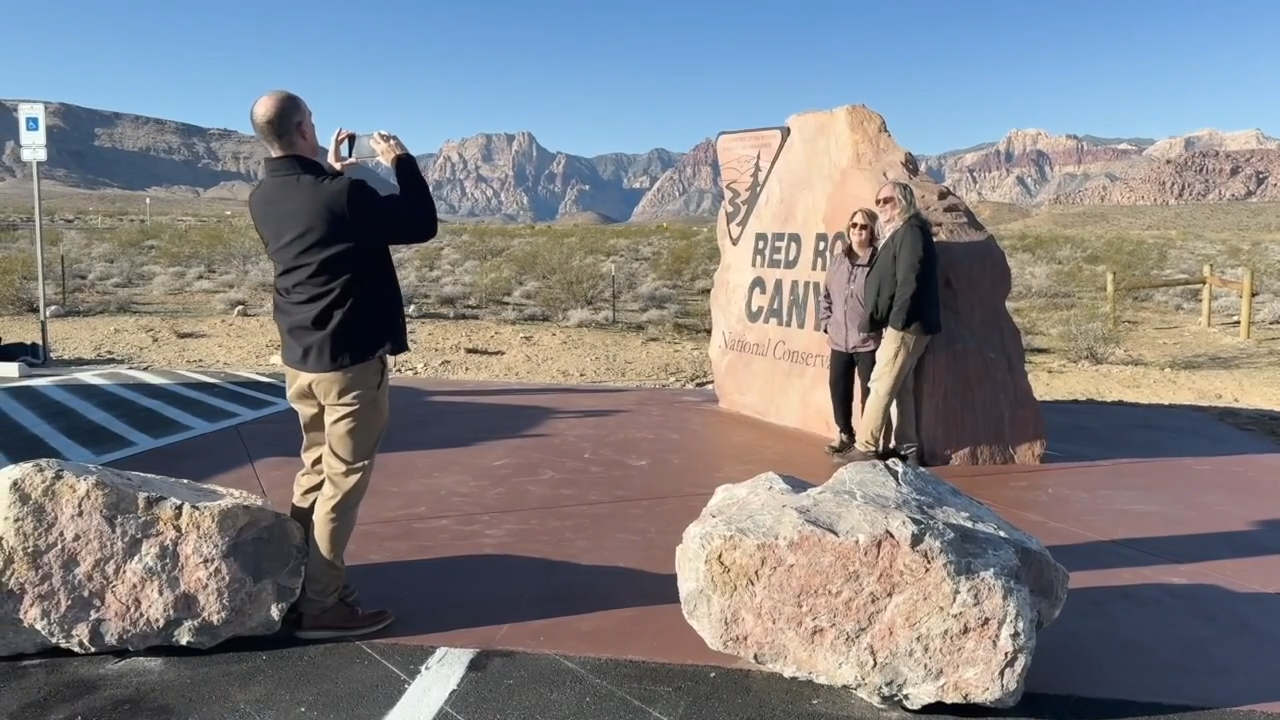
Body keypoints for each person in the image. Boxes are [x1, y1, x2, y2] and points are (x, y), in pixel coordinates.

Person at [247, 90, 439, 639]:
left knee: (313, 472)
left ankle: (302, 581)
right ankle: (323, 607)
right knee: (343, 482)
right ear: (305, 128)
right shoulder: (345, 193)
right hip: (350, 362)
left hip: (301, 361)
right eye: (311, 120)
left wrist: (328, 172)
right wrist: (400, 161)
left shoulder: (263, 197)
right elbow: (421, 222)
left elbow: (318, 220)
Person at [837, 180, 941, 466]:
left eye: (888, 200)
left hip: (906, 328)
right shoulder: (902, 231)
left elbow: (910, 280)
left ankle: (866, 445)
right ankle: (908, 449)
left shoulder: (910, 232)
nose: (882, 205)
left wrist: (896, 323)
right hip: (906, 325)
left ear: (904, 201)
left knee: (881, 383)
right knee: (901, 386)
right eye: (878, 201)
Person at [817, 207, 881, 455]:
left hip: (867, 342)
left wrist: (876, 327)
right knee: (838, 387)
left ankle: (867, 442)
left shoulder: (878, 263)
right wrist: (826, 323)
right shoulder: (837, 260)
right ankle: (845, 433)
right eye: (854, 225)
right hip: (839, 340)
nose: (857, 230)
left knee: (869, 394)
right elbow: (826, 296)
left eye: (863, 226)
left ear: (872, 231)